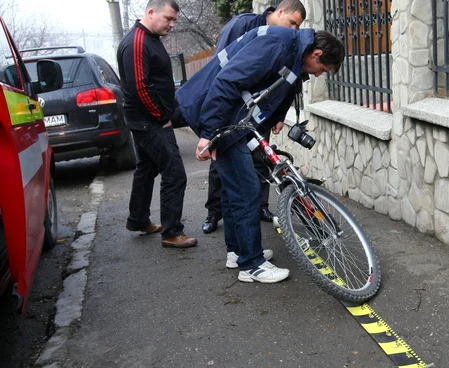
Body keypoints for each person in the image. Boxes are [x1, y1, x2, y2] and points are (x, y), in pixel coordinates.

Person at [175, 27, 344, 283]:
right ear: (317, 54)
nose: (319, 75)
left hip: (232, 122)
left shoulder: (294, 54)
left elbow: (277, 90)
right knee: (246, 190)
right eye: (323, 69)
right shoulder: (278, 45)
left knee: (235, 192)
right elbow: (228, 81)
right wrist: (209, 133)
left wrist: (274, 119)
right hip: (223, 121)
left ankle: (238, 251)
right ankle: (252, 264)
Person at [202, 0, 306, 235]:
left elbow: (289, 81)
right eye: (291, 23)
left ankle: (260, 207)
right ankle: (214, 211)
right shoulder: (242, 25)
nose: (293, 30)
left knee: (259, 158)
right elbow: (222, 67)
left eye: (298, 26)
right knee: (221, 163)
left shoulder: (287, 41)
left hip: (260, 112)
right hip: (232, 110)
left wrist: (280, 114)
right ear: (279, 12)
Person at [117, 0, 197, 248]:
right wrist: (161, 117)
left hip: (146, 120)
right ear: (151, 12)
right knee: (174, 173)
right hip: (149, 121)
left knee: (147, 169)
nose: (172, 24)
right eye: (168, 19)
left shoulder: (149, 38)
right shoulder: (137, 42)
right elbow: (139, 87)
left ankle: (138, 219)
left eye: (174, 20)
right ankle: (172, 233)